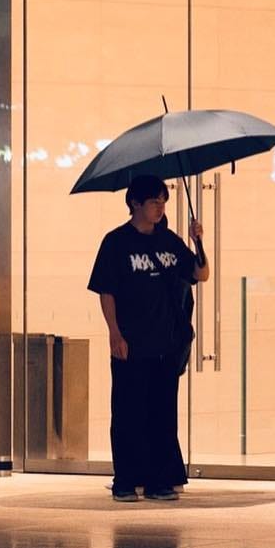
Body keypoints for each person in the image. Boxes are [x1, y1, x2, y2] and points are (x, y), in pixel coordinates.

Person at [87, 176, 209, 503]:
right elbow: (106, 291)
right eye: (154, 201)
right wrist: (114, 332)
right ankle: (125, 480)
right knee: (127, 413)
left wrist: (198, 242)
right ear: (135, 204)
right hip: (131, 344)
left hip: (166, 345)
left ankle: (159, 480)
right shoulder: (116, 243)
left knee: (162, 415)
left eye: (163, 201)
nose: (160, 207)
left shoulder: (168, 240)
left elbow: (200, 274)